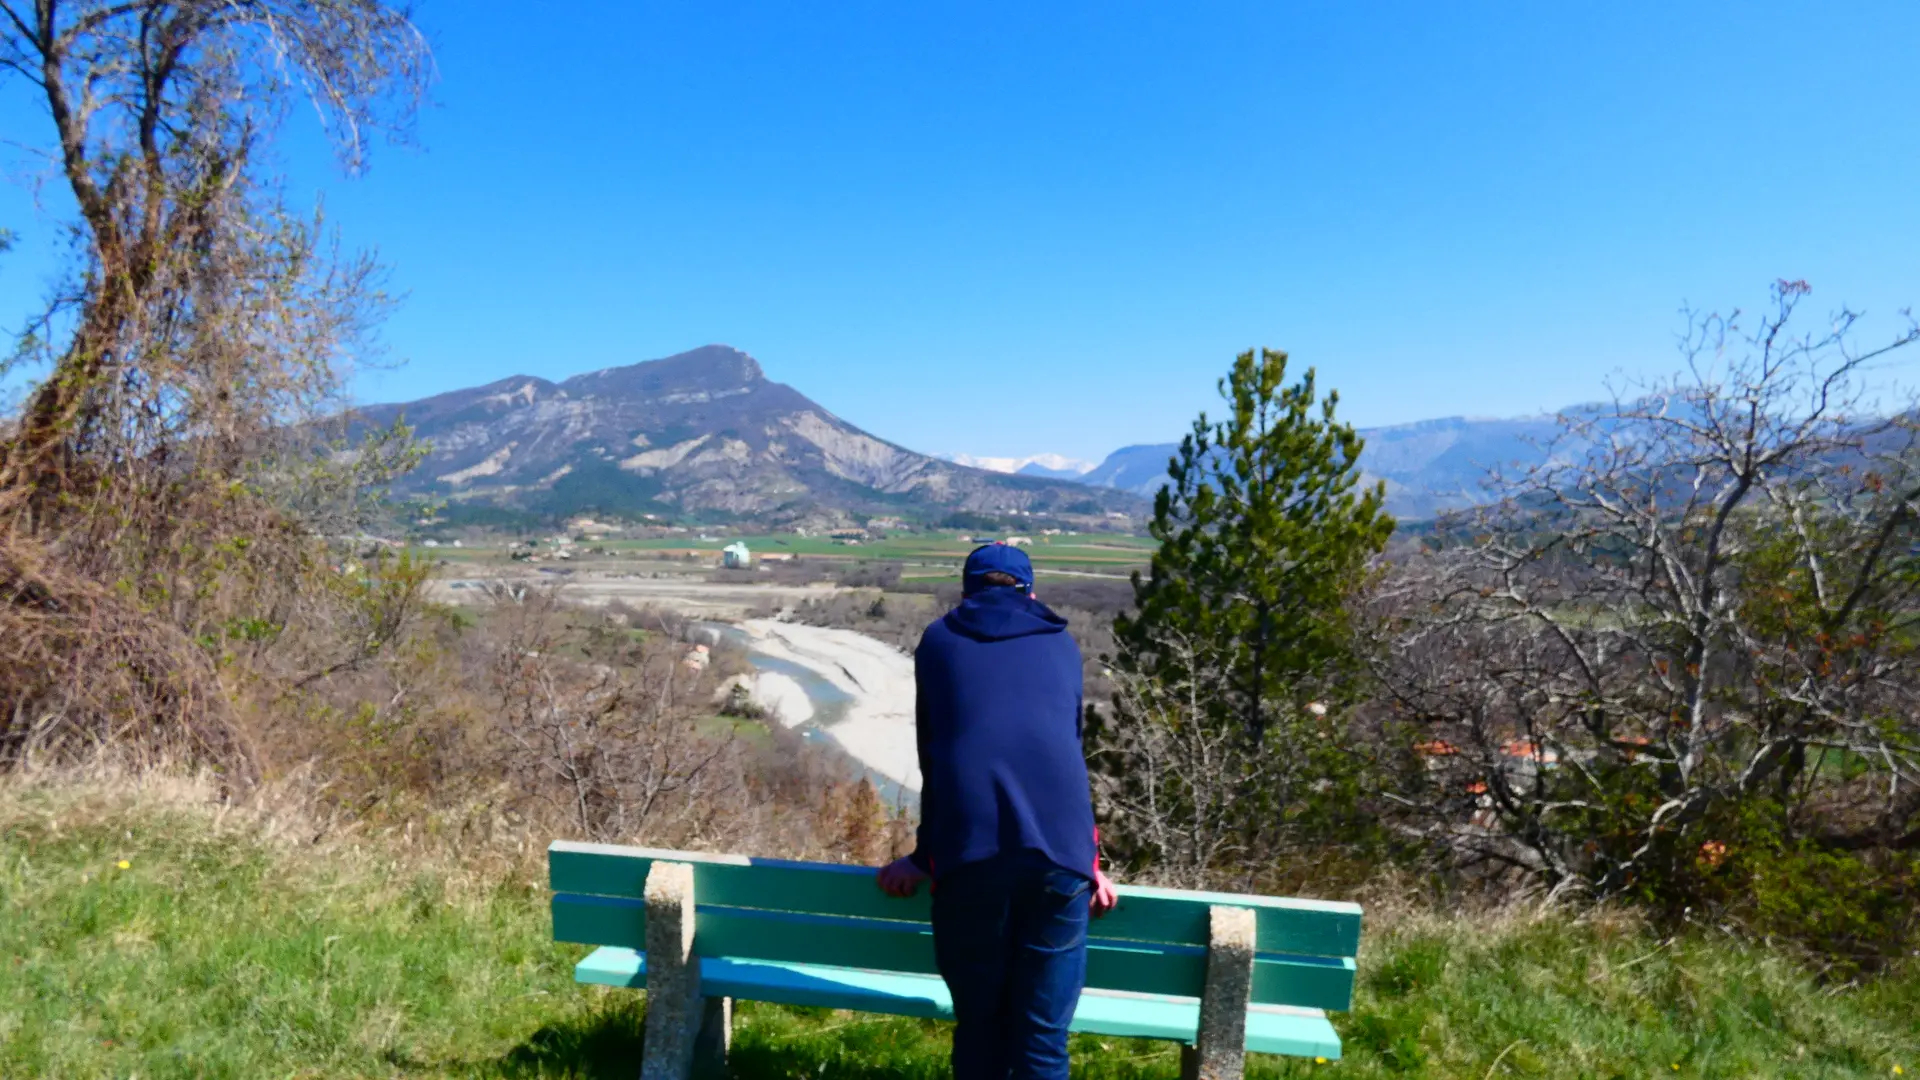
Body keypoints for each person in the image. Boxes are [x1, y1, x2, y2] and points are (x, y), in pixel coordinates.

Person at [876, 542, 1118, 1080]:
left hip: (970, 854)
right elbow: (1067, 751)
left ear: (968, 590)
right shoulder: (1062, 643)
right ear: (1031, 592)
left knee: (982, 1029)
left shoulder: (939, 641)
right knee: (1043, 1039)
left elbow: (936, 755)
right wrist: (1089, 860)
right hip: (1062, 855)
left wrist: (923, 857)